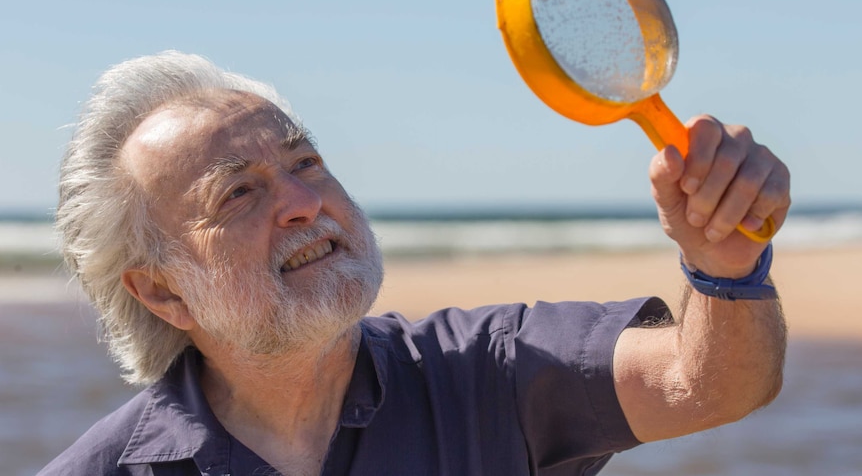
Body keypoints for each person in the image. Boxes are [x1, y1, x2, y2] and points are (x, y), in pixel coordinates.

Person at [40, 50, 790, 476]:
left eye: (307, 160)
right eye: (238, 193)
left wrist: (726, 268)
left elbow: (711, 384)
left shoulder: (490, 374)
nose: (305, 200)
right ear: (163, 291)